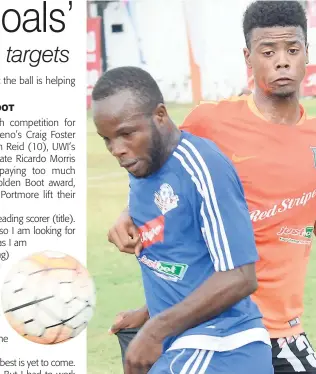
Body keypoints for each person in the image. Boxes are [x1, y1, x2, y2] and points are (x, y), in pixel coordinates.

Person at [107, 1, 316, 373]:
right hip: (222, 328)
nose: (282, 61)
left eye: (292, 50)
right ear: (249, 57)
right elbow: (167, 188)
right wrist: (127, 214)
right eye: (268, 51)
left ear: (308, 54)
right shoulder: (210, 123)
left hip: (281, 331)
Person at [91, 66, 274, 374]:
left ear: (160, 116)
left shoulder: (203, 168)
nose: (117, 150)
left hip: (223, 346)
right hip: (184, 345)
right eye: (106, 139)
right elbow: (186, 263)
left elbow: (240, 277)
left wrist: (156, 329)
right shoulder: (142, 165)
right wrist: (148, 314)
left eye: (125, 133)